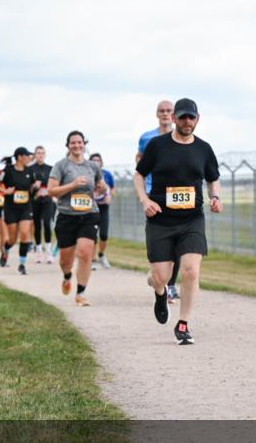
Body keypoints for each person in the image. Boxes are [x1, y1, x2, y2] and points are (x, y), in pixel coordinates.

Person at [133, 98, 222, 345]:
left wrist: (215, 196)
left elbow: (213, 177)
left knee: (191, 271)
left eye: (190, 117)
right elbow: (139, 175)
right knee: (161, 276)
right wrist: (145, 200)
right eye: (181, 117)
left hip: (192, 219)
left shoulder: (204, 149)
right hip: (160, 218)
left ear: (197, 119)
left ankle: (183, 324)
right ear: (173, 119)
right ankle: (159, 292)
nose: (186, 121)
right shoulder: (157, 146)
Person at [47, 131, 104, 306]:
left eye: (80, 142)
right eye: (73, 143)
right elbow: (51, 190)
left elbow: (100, 186)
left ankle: (80, 293)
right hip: (67, 216)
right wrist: (72, 184)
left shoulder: (93, 167)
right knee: (66, 260)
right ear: (68, 145)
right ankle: (67, 276)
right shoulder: (61, 166)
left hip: (89, 215)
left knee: (85, 253)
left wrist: (101, 188)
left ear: (84, 144)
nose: (77, 145)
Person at [138, 99, 181, 303]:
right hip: (152, 192)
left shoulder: (182, 135)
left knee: (180, 240)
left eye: (168, 111)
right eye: (161, 111)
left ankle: (168, 282)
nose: (165, 114)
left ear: (174, 115)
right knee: (161, 235)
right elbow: (139, 161)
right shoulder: (147, 138)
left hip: (176, 191)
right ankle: (160, 274)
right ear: (157, 114)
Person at [0, 147, 38, 275]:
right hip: (11, 208)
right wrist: (5, 191)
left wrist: (35, 188)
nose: (29, 158)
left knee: (25, 233)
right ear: (20, 157)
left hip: (26, 207)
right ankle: (6, 249)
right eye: (27, 156)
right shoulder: (8, 170)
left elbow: (32, 187)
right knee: (12, 239)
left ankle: (22, 264)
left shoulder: (30, 171)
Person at [89, 152, 115, 269]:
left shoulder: (107, 175)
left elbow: (112, 188)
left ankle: (101, 255)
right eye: (93, 160)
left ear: (101, 162)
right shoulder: (87, 175)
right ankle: (92, 259)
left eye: (98, 160)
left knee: (103, 235)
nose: (96, 162)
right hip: (91, 209)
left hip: (104, 207)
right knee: (93, 235)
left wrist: (110, 196)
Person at [30, 145, 54, 264]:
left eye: (42, 153)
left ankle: (48, 253)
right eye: (38, 153)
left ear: (45, 155)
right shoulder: (30, 168)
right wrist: (35, 188)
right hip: (35, 200)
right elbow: (27, 186)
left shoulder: (50, 168)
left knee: (47, 223)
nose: (40, 155)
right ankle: (38, 252)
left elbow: (54, 184)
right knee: (37, 225)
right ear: (35, 155)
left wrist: (47, 191)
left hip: (47, 200)